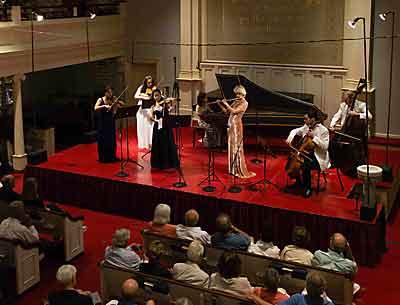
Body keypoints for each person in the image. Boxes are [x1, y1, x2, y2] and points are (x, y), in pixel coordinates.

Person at [286, 110, 330, 198]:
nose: (304, 121)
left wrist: (314, 137)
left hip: (318, 157)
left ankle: (307, 188)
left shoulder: (323, 130)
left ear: (313, 119)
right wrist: (290, 137)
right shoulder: (306, 127)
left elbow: (325, 146)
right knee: (294, 159)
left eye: (306, 119)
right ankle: (298, 183)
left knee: (305, 165)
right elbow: (295, 130)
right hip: (306, 153)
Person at [218, 85, 255, 178]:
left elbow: (234, 111)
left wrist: (226, 103)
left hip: (236, 127)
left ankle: (237, 169)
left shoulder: (245, 103)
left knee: (235, 146)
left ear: (243, 94)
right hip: (230, 125)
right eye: (236, 93)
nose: (237, 95)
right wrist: (220, 104)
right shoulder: (235, 101)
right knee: (231, 146)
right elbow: (227, 112)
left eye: (239, 94)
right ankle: (232, 169)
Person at [150, 89, 179, 170]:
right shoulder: (153, 106)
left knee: (167, 143)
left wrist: (172, 104)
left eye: (158, 95)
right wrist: (155, 120)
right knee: (158, 143)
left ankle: (168, 163)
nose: (156, 97)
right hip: (157, 126)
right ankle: (158, 164)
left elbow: (171, 108)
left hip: (166, 126)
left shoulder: (165, 104)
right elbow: (151, 116)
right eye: (155, 96)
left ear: (160, 95)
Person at [94, 85, 124, 163]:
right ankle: (103, 157)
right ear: (105, 93)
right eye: (109, 93)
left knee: (111, 139)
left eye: (111, 92)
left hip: (111, 121)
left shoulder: (113, 99)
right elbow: (95, 107)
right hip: (103, 122)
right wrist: (104, 106)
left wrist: (117, 103)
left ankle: (112, 156)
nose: (111, 94)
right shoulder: (100, 99)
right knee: (103, 139)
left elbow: (121, 105)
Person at [135, 75, 157, 150]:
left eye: (151, 82)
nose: (150, 84)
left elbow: (158, 95)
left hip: (150, 110)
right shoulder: (141, 88)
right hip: (142, 111)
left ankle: (151, 144)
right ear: (145, 83)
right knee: (142, 127)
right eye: (148, 83)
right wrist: (144, 96)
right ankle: (143, 144)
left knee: (150, 127)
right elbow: (136, 96)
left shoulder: (154, 88)